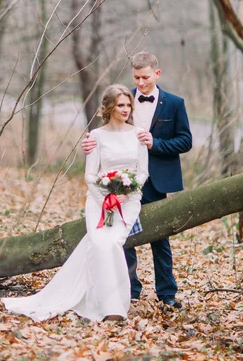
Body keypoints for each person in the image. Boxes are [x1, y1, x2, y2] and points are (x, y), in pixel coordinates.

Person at [2, 84, 148, 322]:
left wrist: (126, 193)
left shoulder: (138, 134)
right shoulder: (96, 137)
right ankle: (110, 308)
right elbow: (90, 175)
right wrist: (105, 199)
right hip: (99, 199)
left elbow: (142, 172)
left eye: (128, 104)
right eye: (121, 104)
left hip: (128, 201)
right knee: (100, 242)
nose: (126, 109)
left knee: (111, 243)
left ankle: (115, 306)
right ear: (110, 107)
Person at [82, 52, 192, 309]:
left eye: (145, 77)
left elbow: (185, 141)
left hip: (157, 180)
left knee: (159, 238)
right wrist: (88, 144)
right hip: (122, 182)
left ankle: (167, 292)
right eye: (136, 78)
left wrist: (156, 143)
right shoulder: (123, 99)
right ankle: (130, 289)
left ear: (157, 74)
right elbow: (107, 137)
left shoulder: (175, 103)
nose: (141, 83)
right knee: (124, 235)